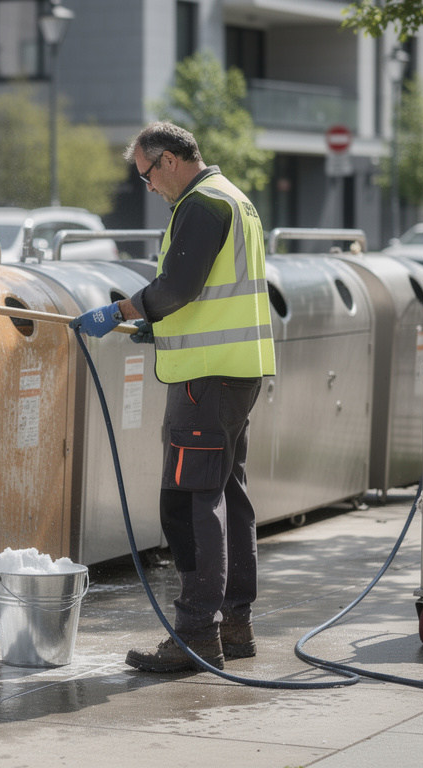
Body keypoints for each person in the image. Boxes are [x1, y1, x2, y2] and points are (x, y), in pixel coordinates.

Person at [70, 121, 275, 672]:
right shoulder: (236, 199)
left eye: (146, 175)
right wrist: (158, 329)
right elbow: (211, 296)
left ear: (167, 160)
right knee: (228, 495)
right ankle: (234, 625)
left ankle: (195, 634)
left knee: (191, 501)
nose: (148, 187)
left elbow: (179, 286)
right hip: (235, 371)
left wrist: (121, 310)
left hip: (204, 378)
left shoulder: (202, 203)